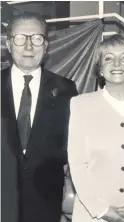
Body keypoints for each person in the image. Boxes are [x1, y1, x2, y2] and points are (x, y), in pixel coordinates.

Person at [1, 13, 78, 222]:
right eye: (20, 38)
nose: (28, 47)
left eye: (36, 38)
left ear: (46, 46)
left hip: (45, 200)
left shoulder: (66, 89)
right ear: (9, 44)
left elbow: (72, 145)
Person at [68, 34, 124, 222]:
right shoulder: (80, 105)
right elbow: (78, 165)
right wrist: (101, 210)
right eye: (108, 58)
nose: (116, 63)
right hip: (93, 215)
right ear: (100, 69)